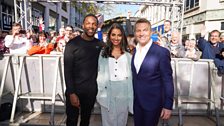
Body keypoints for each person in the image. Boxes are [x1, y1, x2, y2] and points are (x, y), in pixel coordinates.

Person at [131, 18, 174, 126]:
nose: (141, 33)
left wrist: (168, 105)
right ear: (135, 33)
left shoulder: (162, 52)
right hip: (137, 103)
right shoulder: (134, 51)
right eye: (138, 30)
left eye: (145, 30)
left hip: (153, 104)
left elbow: (167, 80)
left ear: (150, 32)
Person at [64, 14, 103, 126]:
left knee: (85, 121)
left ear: (97, 26)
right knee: (71, 121)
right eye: (88, 23)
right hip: (74, 90)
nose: (91, 26)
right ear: (83, 25)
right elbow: (67, 70)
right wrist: (71, 93)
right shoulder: (72, 44)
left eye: (94, 24)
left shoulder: (99, 45)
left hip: (90, 92)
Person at [96, 23, 133, 126]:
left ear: (123, 37)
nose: (116, 38)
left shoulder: (128, 55)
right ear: (109, 36)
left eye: (119, 35)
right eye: (113, 34)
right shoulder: (103, 53)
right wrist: (100, 92)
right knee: (107, 122)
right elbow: (100, 73)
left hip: (124, 90)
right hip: (107, 90)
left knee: (121, 121)